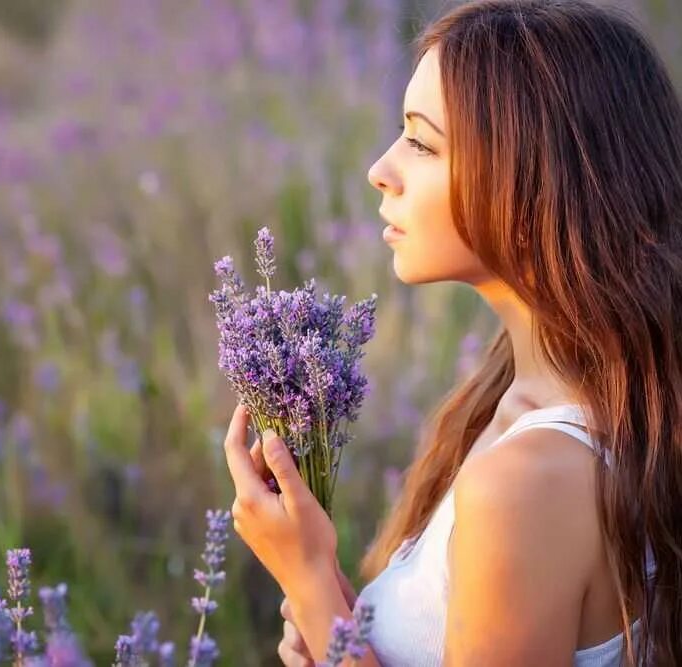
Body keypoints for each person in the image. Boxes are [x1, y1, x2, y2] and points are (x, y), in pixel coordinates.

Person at [221, 0, 682, 664]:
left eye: (421, 140)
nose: (381, 169)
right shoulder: (521, 400)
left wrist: (309, 578)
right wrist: (339, 630)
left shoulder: (531, 478)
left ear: (534, 187)